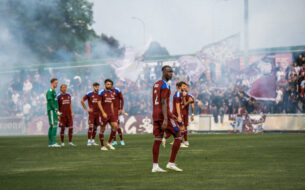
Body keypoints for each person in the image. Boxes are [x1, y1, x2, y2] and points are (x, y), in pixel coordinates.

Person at [152, 65, 183, 172]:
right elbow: (164, 102)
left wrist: (170, 114)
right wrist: (166, 118)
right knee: (178, 135)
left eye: (172, 72)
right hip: (162, 115)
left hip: (156, 114)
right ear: (163, 72)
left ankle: (155, 166)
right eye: (168, 71)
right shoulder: (165, 85)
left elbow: (158, 101)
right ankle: (171, 163)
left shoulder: (156, 84)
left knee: (158, 139)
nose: (171, 74)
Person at [162, 82, 187, 148]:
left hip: (178, 113)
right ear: (179, 87)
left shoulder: (181, 94)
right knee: (181, 128)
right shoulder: (177, 95)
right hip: (177, 113)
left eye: (185, 86)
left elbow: (184, 104)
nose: (185, 87)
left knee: (178, 128)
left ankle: (176, 141)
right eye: (183, 86)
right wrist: (179, 116)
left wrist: (184, 97)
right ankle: (180, 143)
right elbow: (177, 106)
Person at [97, 79, 118, 151]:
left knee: (115, 126)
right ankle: (102, 146)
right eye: (108, 84)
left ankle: (109, 143)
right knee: (102, 129)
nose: (109, 85)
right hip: (104, 114)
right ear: (105, 84)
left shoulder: (111, 93)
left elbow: (111, 103)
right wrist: (103, 112)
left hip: (110, 114)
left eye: (110, 84)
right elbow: (99, 103)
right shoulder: (101, 92)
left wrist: (112, 113)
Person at [46, 78, 61, 147]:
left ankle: (50, 143)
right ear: (52, 83)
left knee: (52, 126)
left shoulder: (54, 91)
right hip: (52, 110)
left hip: (54, 110)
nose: (57, 84)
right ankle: (53, 142)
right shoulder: (50, 91)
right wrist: (55, 109)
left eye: (57, 83)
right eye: (55, 83)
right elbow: (50, 101)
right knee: (54, 125)